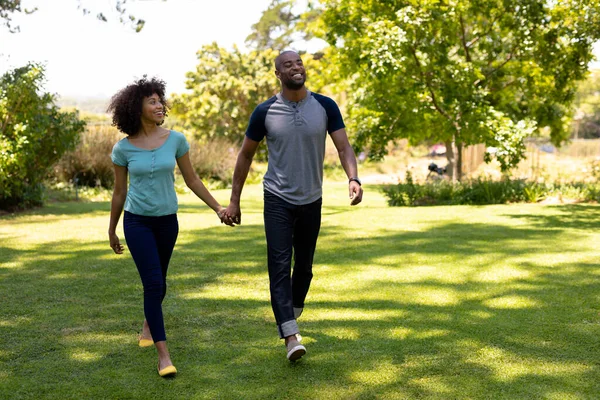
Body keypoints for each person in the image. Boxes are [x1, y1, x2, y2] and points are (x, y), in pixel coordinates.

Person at [224, 50, 363, 361]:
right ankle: (290, 335)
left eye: (298, 62)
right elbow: (245, 155)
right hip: (277, 198)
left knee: (304, 269)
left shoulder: (326, 106)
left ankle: (290, 309)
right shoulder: (265, 111)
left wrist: (353, 178)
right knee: (278, 266)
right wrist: (234, 200)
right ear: (278, 74)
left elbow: (343, 146)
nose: (296, 67)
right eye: (288, 64)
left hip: (311, 198)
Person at [107, 77, 232, 377]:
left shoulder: (176, 140)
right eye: (152, 101)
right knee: (152, 284)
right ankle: (164, 356)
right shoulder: (122, 149)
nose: (159, 104)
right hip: (136, 222)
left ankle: (149, 324)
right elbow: (119, 192)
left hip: (167, 222)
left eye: (159, 100)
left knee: (159, 283)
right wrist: (112, 230)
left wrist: (217, 208)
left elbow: (192, 180)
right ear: (136, 108)